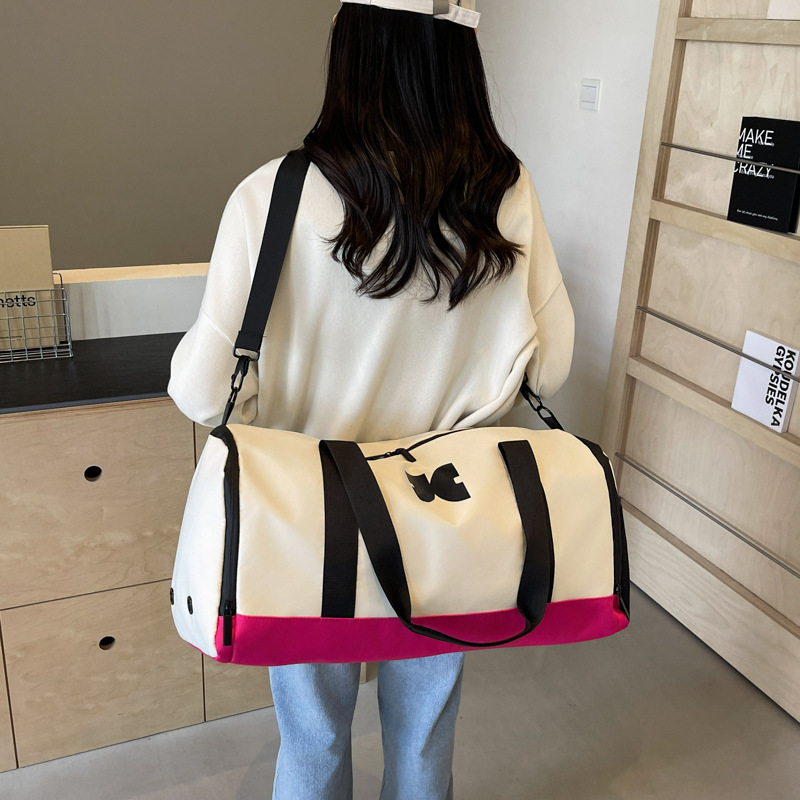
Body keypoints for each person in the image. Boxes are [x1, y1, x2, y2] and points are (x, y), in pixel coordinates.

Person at [168, 2, 574, 798]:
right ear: (459, 61)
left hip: (309, 517)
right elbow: (550, 367)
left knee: (313, 737)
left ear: (352, 51)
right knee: (425, 738)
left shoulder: (274, 194)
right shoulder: (507, 193)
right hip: (450, 514)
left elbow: (200, 390)